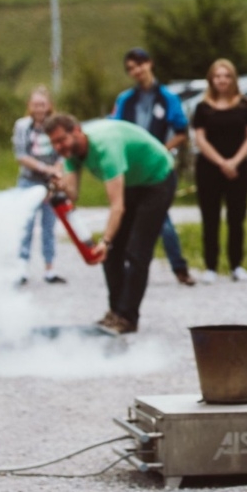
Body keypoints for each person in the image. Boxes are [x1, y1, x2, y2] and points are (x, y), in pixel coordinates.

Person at [44, 114, 176, 334]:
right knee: (112, 253)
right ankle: (115, 312)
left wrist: (105, 240)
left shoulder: (106, 148)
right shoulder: (71, 153)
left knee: (137, 252)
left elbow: (117, 207)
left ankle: (127, 318)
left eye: (61, 140)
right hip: (133, 182)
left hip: (157, 179)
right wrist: (61, 186)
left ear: (76, 131)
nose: (58, 147)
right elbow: (73, 195)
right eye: (54, 143)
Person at [112, 47, 195, 286]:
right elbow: (115, 129)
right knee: (126, 217)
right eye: (131, 68)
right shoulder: (125, 100)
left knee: (162, 220)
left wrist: (162, 150)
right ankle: (125, 265)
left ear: (149, 64)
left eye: (139, 65)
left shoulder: (167, 98)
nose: (136, 71)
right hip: (131, 168)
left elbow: (181, 132)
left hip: (157, 168)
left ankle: (179, 267)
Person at [191, 58, 247, 283]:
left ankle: (236, 264)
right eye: (218, 76)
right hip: (209, 169)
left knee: (236, 217)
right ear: (211, 79)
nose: (222, 80)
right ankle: (211, 266)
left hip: (238, 169)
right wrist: (221, 162)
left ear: (233, 79)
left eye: (226, 76)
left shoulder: (244, 105)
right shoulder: (203, 107)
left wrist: (235, 162)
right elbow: (200, 138)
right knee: (210, 218)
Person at [12, 86, 64, 285]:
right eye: (35, 105)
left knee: (49, 226)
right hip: (29, 181)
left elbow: (62, 154)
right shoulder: (22, 126)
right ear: (30, 106)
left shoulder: (56, 127)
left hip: (50, 183)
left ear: (48, 106)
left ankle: (50, 268)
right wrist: (45, 168)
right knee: (26, 225)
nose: (39, 109)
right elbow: (21, 155)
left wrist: (55, 174)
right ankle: (22, 268)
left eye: (42, 105)